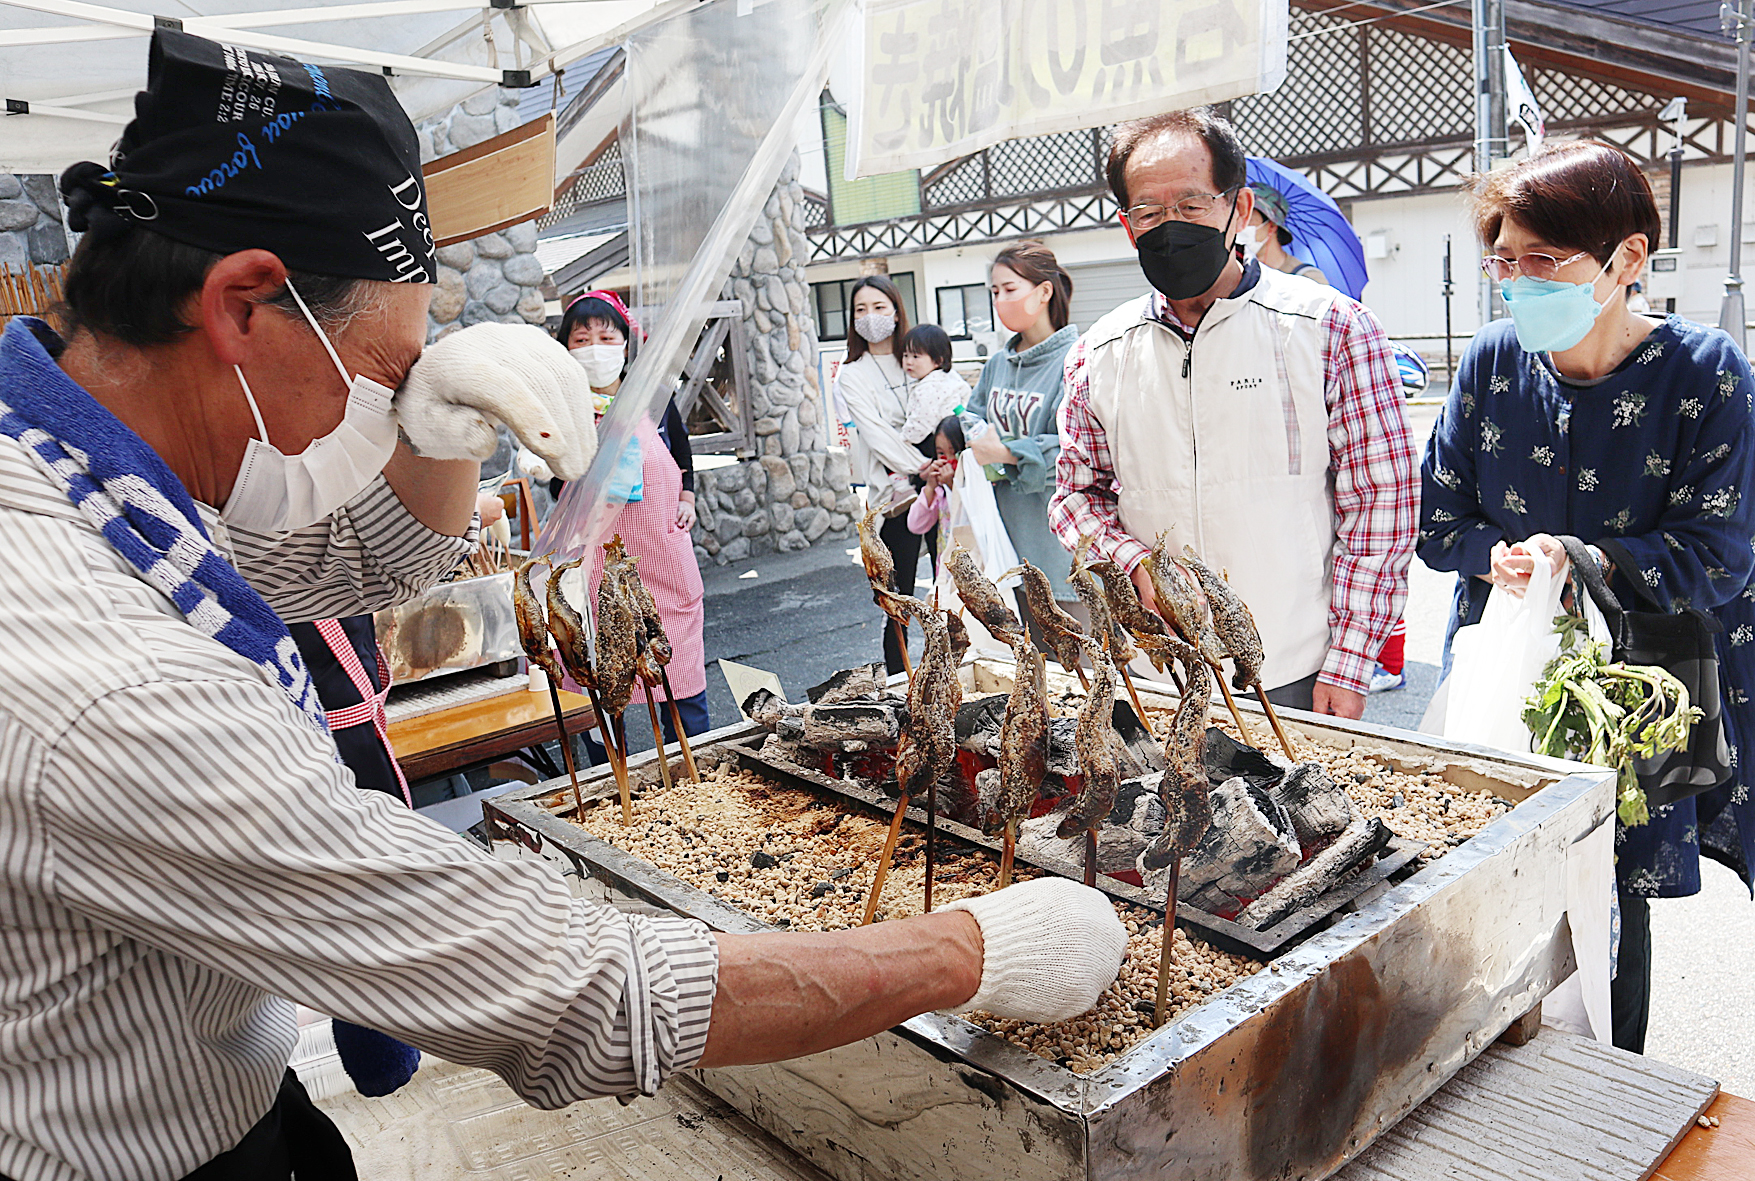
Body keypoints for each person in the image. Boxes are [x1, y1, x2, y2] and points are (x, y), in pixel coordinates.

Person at [0, 32, 1126, 1180]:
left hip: (218, 1081)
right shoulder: (92, 665)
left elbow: (337, 566)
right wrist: (970, 948)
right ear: (243, 305)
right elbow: (554, 985)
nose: (389, 404)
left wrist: (443, 422)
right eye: (387, 374)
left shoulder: (88, 467)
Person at [1417, 139, 1755, 1054]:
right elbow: (1439, 525)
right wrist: (1501, 560)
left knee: (1612, 902)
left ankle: (1606, 1085)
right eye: (1504, 261)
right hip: (1504, 665)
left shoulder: (1703, 372)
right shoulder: (1491, 363)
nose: (1516, 281)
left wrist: (1577, 558)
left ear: (1627, 260)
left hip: (1640, 688)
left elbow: (1717, 556)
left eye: (1542, 260)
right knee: (1486, 886)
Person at [1050, 108, 1416, 718]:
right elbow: (1075, 495)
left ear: (1239, 209)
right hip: (1159, 671)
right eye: (1149, 211)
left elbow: (1383, 502)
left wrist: (1351, 660)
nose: (1171, 227)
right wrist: (1128, 559)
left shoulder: (1328, 328)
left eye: (1192, 205)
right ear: (1127, 225)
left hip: (1296, 668)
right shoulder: (1102, 352)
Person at [544, 291, 709, 746]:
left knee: (677, 653)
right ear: (567, 349)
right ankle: (610, 768)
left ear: (624, 342)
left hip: (662, 546)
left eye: (605, 335)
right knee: (605, 655)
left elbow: (681, 448)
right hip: (597, 553)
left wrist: (688, 497)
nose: (595, 346)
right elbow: (557, 486)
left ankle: (697, 759)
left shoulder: (651, 397)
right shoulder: (566, 409)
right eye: (582, 338)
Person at [966, 242, 1083, 633]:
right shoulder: (997, 364)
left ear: (1044, 291)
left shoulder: (1076, 359)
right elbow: (974, 416)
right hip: (1003, 552)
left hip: (1061, 555)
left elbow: (1076, 453)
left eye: (1009, 289)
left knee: (1082, 672)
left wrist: (1008, 452)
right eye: (994, 292)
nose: (1000, 301)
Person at [836, 274, 935, 674]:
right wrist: (920, 466)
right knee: (898, 597)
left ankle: (955, 671)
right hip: (895, 496)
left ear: (896, 312)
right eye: (861, 310)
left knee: (951, 586)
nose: (870, 317)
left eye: (878, 307)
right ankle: (902, 680)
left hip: (940, 485)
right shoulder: (852, 374)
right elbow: (876, 435)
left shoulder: (917, 356)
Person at [906, 414, 968, 564]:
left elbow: (973, 516)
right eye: (941, 453)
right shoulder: (940, 491)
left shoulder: (977, 485)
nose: (947, 459)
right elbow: (915, 525)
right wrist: (930, 487)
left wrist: (954, 487)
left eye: (954, 453)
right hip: (946, 570)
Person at [1242, 183, 1330, 286]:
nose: (1240, 226)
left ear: (1272, 225)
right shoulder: (1241, 277)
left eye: (1248, 219)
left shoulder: (1308, 279)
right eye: (1238, 218)